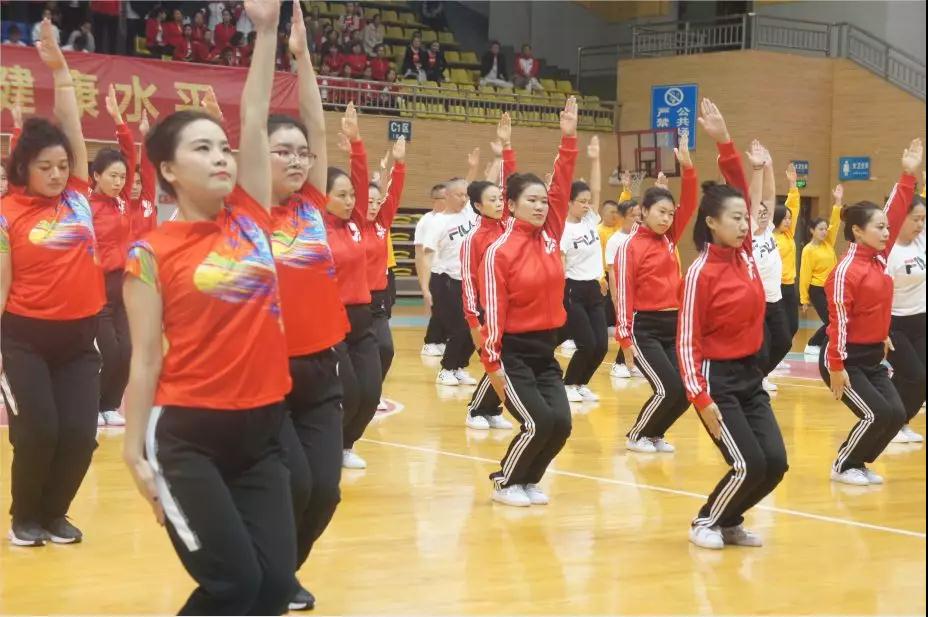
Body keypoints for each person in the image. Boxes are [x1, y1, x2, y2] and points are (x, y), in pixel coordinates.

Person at [121, 2, 297, 612]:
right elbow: (144, 361)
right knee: (234, 585)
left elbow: (254, 114)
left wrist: (268, 31)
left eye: (224, 148)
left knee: (275, 587)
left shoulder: (250, 213)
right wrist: (131, 453)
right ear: (168, 169)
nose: (223, 157)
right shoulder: (149, 253)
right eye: (203, 149)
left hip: (264, 431)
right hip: (188, 436)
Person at [259, 7, 347, 609]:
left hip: (323, 366)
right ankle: (265, 571)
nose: (296, 160)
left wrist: (305, 59)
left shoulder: (312, 205)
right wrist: (269, 43)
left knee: (325, 491)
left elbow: (317, 124)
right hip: (266, 374)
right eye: (281, 151)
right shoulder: (242, 212)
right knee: (291, 484)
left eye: (300, 154)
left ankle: (282, 572)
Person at [1, 19, 101, 547]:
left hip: (79, 338)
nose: (60, 173)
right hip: (24, 339)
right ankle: (25, 517)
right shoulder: (6, 214)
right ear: (24, 168)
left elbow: (71, 122)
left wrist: (60, 69)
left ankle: (55, 513)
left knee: (81, 436)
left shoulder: (80, 194)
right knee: (38, 432)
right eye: (47, 167)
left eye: (64, 165)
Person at [677, 98, 788, 550]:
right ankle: (707, 521)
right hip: (716, 382)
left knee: (774, 462)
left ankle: (728, 520)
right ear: (712, 223)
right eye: (736, 218)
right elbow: (686, 344)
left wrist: (725, 140)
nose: (746, 224)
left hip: (750, 376)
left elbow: (740, 184)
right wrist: (700, 399)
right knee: (748, 464)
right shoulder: (700, 272)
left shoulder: (745, 256)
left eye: (747, 217)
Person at [479, 97, 578, 507]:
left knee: (561, 424)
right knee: (538, 423)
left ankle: (528, 479)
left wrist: (568, 138)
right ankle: (506, 480)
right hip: (514, 355)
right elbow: (494, 316)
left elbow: (561, 183)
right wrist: (494, 367)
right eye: (531, 201)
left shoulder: (551, 233)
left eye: (543, 201)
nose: (540, 206)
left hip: (546, 350)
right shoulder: (499, 251)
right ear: (512, 205)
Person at [821, 139, 921, 486]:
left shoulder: (878, 258)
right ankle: (844, 464)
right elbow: (839, 322)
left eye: (885, 228)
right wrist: (836, 367)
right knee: (877, 413)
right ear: (857, 232)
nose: (886, 232)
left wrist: (908, 175)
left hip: (872, 356)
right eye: (878, 228)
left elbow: (894, 211)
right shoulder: (846, 270)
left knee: (894, 415)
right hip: (844, 360)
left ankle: (858, 462)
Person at [617, 142, 696, 453]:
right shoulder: (629, 247)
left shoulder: (669, 238)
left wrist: (689, 171)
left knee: (687, 389)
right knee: (668, 388)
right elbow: (623, 296)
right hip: (645, 328)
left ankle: (655, 432)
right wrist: (625, 341)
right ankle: (637, 434)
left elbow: (689, 205)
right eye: (660, 212)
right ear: (644, 212)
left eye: (669, 214)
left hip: (673, 324)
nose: (666, 219)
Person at [324, 103, 383, 470]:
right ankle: (329, 446)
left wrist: (357, 142)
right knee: (348, 390)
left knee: (371, 393)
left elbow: (361, 183)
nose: (349, 201)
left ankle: (346, 445)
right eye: (341, 195)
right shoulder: (316, 227)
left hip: (364, 319)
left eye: (350, 196)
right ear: (323, 196)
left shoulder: (357, 222)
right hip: (331, 322)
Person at [89, 85, 140, 429]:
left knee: (128, 351)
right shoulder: (85, 204)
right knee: (108, 352)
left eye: (123, 177)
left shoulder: (123, 201)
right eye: (113, 176)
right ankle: (92, 405)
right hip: (96, 290)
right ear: (96, 176)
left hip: (124, 286)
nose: (120, 182)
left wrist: (120, 122)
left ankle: (109, 406)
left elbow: (132, 158)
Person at [462, 115, 516, 430]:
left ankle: (490, 409)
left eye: (500, 199)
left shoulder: (509, 226)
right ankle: (477, 409)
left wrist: (507, 148)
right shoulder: (474, 239)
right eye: (492, 200)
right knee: (496, 358)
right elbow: (468, 283)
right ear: (479, 206)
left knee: (506, 359)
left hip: (512, 304)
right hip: (487, 309)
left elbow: (511, 186)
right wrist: (474, 320)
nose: (499, 203)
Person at [559, 136, 608, 403]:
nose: (587, 204)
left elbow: (598, 189)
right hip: (572, 289)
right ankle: (568, 384)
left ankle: (580, 383)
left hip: (593, 289)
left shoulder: (590, 220)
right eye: (581, 201)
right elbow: (561, 263)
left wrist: (595, 158)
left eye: (589, 200)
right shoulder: (564, 230)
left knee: (601, 345)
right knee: (587, 343)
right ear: (569, 202)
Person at [423, 172, 480, 387]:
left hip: (467, 281)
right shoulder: (437, 223)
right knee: (459, 328)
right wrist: (425, 288)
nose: (464, 199)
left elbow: (474, 185)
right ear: (446, 196)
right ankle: (446, 369)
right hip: (444, 280)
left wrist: (487, 161)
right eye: (458, 195)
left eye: (466, 195)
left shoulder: (467, 213)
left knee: (476, 328)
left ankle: (458, 367)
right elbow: (425, 255)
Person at [745, 141, 790, 392]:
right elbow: (758, 198)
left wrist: (771, 166)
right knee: (760, 348)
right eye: (758, 211)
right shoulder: (750, 233)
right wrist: (758, 170)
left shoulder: (769, 230)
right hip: (756, 301)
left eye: (766, 211)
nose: (763, 213)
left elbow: (771, 196)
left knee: (783, 342)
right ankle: (753, 380)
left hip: (776, 299)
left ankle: (758, 377)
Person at [361, 139, 406, 385]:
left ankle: (374, 387)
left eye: (377, 202)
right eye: (368, 201)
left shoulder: (381, 224)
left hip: (377, 301)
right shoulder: (352, 224)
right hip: (351, 301)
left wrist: (399, 164)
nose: (374, 206)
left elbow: (395, 193)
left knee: (385, 349)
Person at [887, 182, 926, 444]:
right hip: (894, 325)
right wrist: (907, 176)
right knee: (914, 376)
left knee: (919, 379)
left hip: (921, 321)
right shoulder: (889, 252)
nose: (920, 224)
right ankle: (889, 424)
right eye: (916, 219)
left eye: (924, 219)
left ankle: (899, 424)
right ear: (901, 217)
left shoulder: (919, 242)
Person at [800, 186, 842, 357]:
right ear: (812, 230)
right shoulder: (808, 250)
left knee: (836, 320)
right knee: (831, 321)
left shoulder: (828, 243)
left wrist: (838, 201)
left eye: (826, 229)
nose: (825, 232)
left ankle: (816, 344)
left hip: (831, 289)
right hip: (817, 289)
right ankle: (813, 344)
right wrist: (804, 299)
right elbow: (805, 274)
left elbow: (836, 223)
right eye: (821, 229)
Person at [772, 163, 802, 358]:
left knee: (793, 327)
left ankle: (768, 365)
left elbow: (793, 207)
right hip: (775, 288)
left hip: (790, 286)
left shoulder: (788, 235)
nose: (788, 221)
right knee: (780, 334)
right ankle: (764, 372)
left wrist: (793, 184)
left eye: (790, 219)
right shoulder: (769, 237)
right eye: (785, 218)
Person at [416, 183, 449, 356]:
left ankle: (441, 340)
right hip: (433, 271)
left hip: (449, 271)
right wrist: (424, 285)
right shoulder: (426, 221)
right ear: (435, 200)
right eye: (445, 197)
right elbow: (419, 254)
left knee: (447, 309)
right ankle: (431, 342)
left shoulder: (450, 218)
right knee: (439, 309)